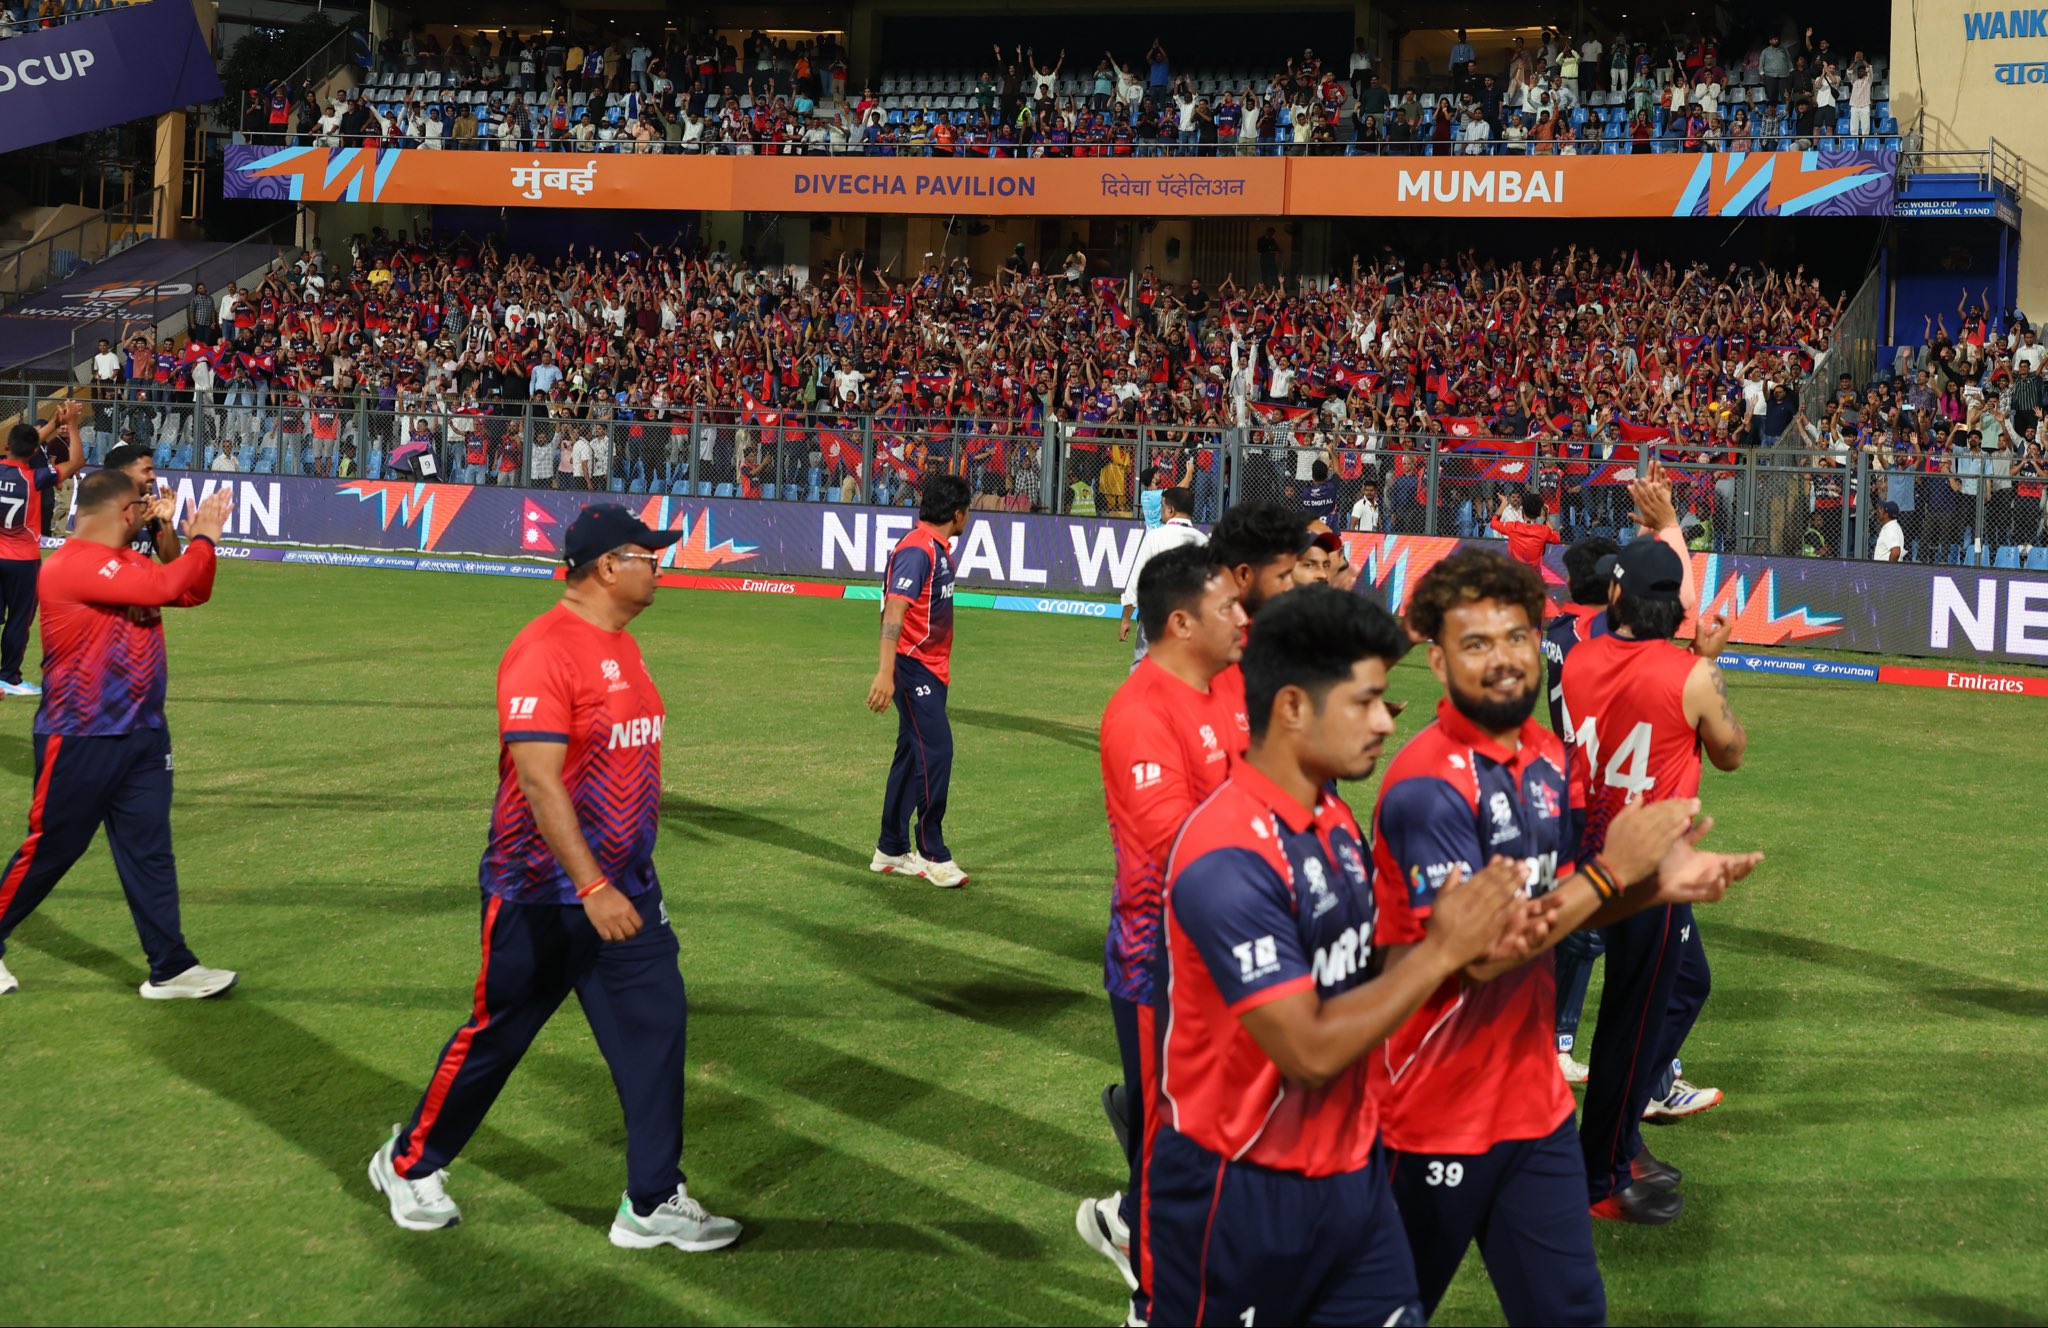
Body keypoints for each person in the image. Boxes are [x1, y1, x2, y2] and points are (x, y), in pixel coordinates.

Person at [1373, 549, 1758, 1323]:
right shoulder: (1425, 787)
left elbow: (1569, 903)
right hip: (1435, 1113)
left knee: (1573, 1312)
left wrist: (1655, 885)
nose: (1505, 658)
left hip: (1536, 1113)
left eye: (1517, 636)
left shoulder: (1550, 760)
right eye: (1476, 643)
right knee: (1382, 1311)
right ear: (1435, 658)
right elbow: (1482, 954)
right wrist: (1617, 877)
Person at [1144, 585, 1530, 1326]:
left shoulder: (1330, 819)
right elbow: (1310, 1049)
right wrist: (1443, 951)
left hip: (1353, 1177)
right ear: (1292, 706)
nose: (1388, 721)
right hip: (1238, 1194)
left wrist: (1476, 937)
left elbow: (1362, 979)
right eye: (1367, 701)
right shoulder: (1225, 856)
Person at [369, 504, 740, 1253]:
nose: (659, 564)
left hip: (627, 890)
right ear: (607, 565)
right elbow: (541, 783)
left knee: (657, 1032)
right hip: (542, 892)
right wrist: (591, 885)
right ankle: (409, 1163)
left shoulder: (622, 646)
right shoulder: (544, 649)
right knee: (499, 1034)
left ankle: (651, 1200)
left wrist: (617, 882)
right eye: (648, 554)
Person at [1077, 544, 1247, 1321]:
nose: (1244, 618)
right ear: (1181, 623)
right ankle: (1151, 1301)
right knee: (1169, 1143)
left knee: (1213, 1132)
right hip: (1161, 965)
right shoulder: (1142, 711)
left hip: (1231, 955)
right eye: (1227, 608)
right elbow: (1180, 856)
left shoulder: (1229, 687)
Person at [1561, 538, 1749, 1224]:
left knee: (1675, 989)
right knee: (1634, 1015)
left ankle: (1618, 1140)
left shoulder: (1579, 659)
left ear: (1616, 596)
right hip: (1652, 866)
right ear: (1673, 608)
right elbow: (1730, 753)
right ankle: (1602, 1173)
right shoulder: (1689, 674)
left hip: (1588, 850)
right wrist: (1708, 661)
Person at [0, 475, 234, 1000]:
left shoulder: (129, 562)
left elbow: (191, 590)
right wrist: (205, 539)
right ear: (127, 512)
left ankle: (170, 966)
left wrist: (191, 543)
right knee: (53, 849)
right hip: (80, 733)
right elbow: (167, 587)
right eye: (143, 504)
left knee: (149, 850)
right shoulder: (70, 563)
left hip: (144, 734)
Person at [866, 474, 972, 889]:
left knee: (912, 755)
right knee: (937, 752)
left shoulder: (936, 549)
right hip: (913, 668)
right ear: (957, 513)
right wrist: (886, 672)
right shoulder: (918, 549)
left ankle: (890, 848)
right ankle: (932, 853)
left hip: (930, 667)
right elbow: (893, 611)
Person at [0, 404, 87, 696]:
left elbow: (26, 440)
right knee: (18, 620)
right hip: (23, 560)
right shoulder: (35, 479)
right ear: (33, 451)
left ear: (6, 446)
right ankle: (8, 678)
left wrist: (52, 422)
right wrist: (71, 424)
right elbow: (75, 462)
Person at [1116, 485, 1203, 667]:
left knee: (1143, 671)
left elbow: (1137, 581)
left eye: (1162, 507)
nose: (1160, 511)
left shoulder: (1155, 537)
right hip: (1190, 622)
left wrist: (1125, 619)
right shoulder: (1204, 541)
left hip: (1156, 617)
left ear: (1170, 510)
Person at [96, 442, 182, 562]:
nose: (153, 476)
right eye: (146, 470)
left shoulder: (147, 509)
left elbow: (172, 560)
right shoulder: (97, 509)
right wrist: (138, 521)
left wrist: (166, 522)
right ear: (123, 475)